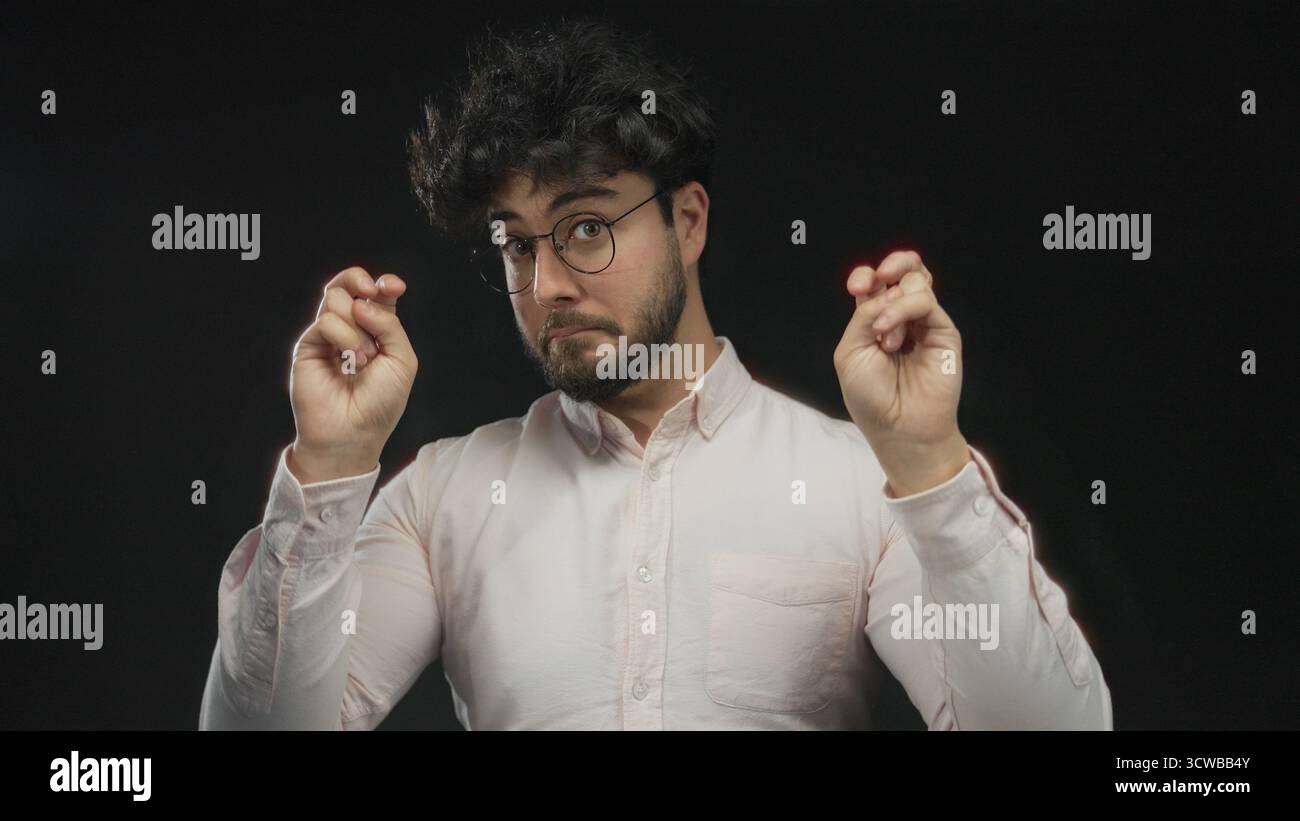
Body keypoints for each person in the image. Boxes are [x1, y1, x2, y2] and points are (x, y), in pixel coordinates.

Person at [199, 19, 1111, 730]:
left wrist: (932, 464)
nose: (546, 284)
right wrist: (329, 465)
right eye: (517, 245)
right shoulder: (446, 495)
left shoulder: (856, 484)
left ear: (689, 222)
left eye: (587, 226)